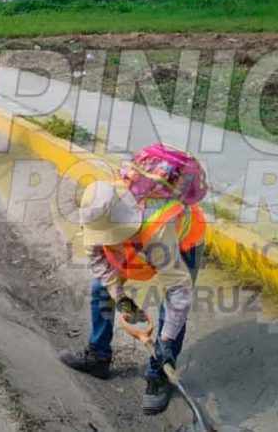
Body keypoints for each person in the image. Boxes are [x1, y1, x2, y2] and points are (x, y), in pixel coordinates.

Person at [59, 178, 204, 416]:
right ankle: (98, 356)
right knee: (101, 288)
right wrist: (120, 297)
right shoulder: (97, 211)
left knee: (171, 306)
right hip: (139, 237)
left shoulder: (157, 230)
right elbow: (97, 258)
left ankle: (159, 374)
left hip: (184, 239)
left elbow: (180, 293)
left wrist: (165, 340)